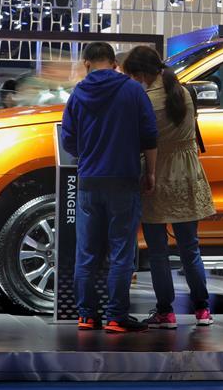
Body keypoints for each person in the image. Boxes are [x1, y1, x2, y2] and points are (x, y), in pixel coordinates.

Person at [61, 42, 158, 334]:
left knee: (87, 252)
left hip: (89, 181)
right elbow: (150, 135)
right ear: (115, 63)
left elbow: (68, 140)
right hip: (124, 179)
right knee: (121, 252)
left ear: (86, 63)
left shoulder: (77, 94)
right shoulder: (133, 91)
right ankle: (116, 316)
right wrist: (150, 172)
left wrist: (88, 153)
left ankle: (86, 315)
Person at [121, 46, 216, 329]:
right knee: (190, 248)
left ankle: (166, 312)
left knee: (158, 252)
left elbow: (141, 140)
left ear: (140, 74)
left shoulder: (145, 100)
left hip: (157, 174)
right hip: (187, 174)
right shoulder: (183, 92)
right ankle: (202, 310)